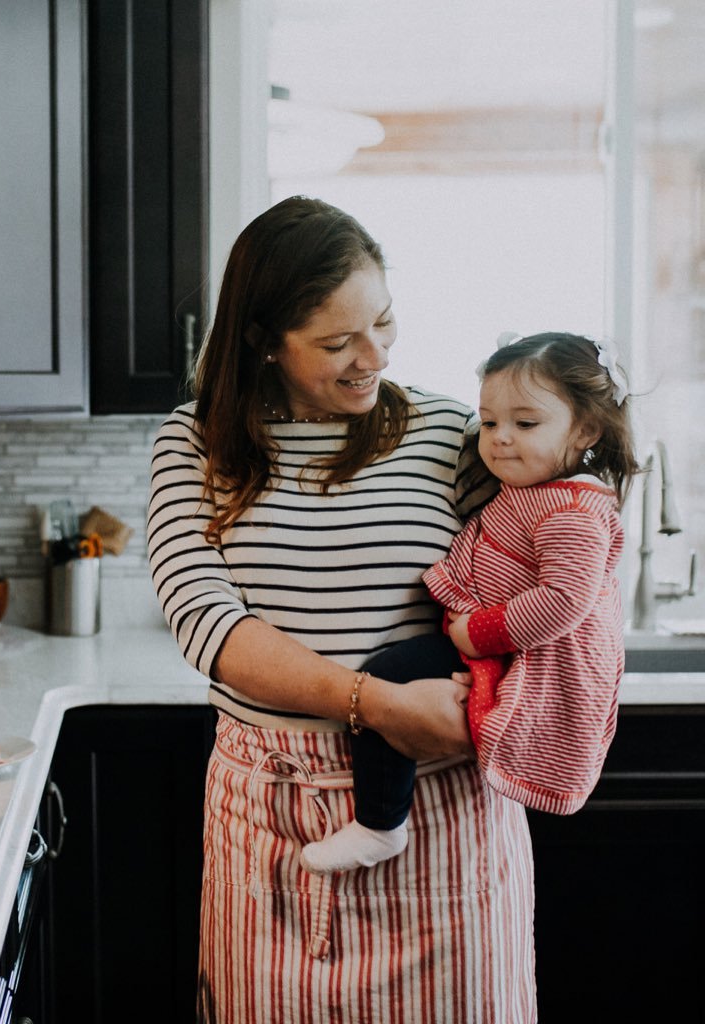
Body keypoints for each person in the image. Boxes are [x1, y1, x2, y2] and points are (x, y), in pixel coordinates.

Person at [147, 196, 536, 1023]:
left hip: (438, 812)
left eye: (384, 324)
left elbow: (539, 576)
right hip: (273, 821)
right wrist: (376, 702)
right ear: (263, 340)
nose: (374, 357)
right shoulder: (194, 442)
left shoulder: (451, 435)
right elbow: (205, 622)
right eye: (336, 343)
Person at [300, 331, 636, 875]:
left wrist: (473, 634)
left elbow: (564, 599)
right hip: (498, 644)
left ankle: (379, 825)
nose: (500, 438)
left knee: (387, 676)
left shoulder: (574, 510)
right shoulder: (533, 490)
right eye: (490, 421)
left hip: (517, 654)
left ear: (587, 429)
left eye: (525, 424)